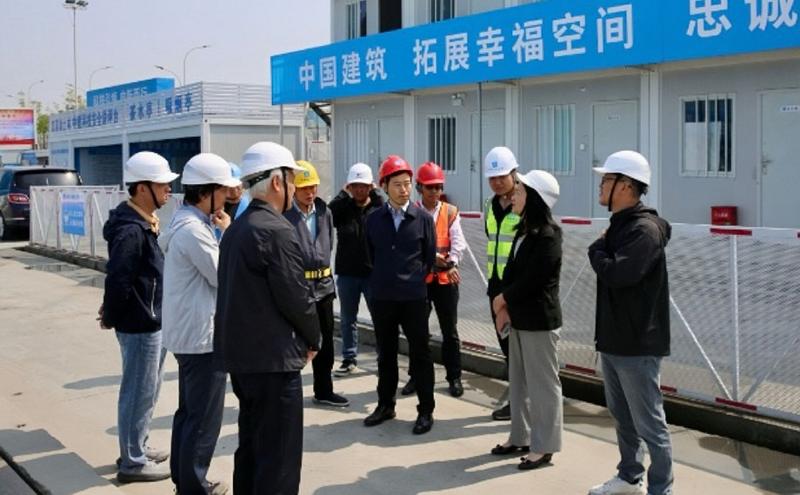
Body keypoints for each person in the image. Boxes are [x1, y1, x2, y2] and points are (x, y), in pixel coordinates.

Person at [214, 141, 321, 495]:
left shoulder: (236, 229)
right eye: (291, 179)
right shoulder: (276, 230)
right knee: (279, 461)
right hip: (274, 363)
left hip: (244, 362)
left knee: (252, 449)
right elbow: (297, 298)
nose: (293, 187)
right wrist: (314, 339)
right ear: (277, 182)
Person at [587, 151, 673, 495]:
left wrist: (597, 249)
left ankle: (661, 488)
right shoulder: (622, 226)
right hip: (614, 340)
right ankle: (629, 476)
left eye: (606, 180)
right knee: (623, 418)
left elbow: (618, 273)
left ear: (625, 186)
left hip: (637, 344)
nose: (601, 185)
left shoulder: (644, 231)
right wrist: (602, 247)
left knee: (650, 424)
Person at [161, 153, 239, 495]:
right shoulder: (195, 231)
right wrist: (230, 233)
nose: (227, 197)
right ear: (206, 193)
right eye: (222, 191)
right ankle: (194, 486)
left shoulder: (184, 222)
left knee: (189, 413)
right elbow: (224, 274)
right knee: (204, 418)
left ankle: (185, 479)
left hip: (188, 334)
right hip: (201, 337)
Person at [99, 151, 178, 483]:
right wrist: (111, 314)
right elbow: (118, 278)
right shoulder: (131, 230)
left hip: (151, 320)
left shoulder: (143, 222)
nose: (169, 190)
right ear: (143, 188)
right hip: (140, 324)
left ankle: (137, 447)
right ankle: (132, 463)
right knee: (137, 392)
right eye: (163, 185)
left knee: (148, 390)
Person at [490, 170, 563, 471]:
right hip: (519, 317)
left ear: (534, 198)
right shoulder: (523, 229)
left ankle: (544, 446)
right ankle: (519, 436)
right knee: (518, 381)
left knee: (543, 386)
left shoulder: (549, 235)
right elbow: (511, 272)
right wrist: (503, 304)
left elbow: (534, 279)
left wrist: (503, 299)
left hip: (538, 321)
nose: (513, 196)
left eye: (519, 192)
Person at [363, 155, 436, 435]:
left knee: (421, 354)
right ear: (384, 186)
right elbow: (370, 256)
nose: (404, 190)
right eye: (397, 184)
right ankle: (385, 404)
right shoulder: (373, 220)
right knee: (386, 354)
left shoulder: (422, 219)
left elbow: (428, 257)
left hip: (414, 298)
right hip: (383, 297)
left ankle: (426, 410)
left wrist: (412, 279)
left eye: (407, 184)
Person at [284, 160, 349, 407]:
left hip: (323, 287)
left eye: (313, 187)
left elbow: (327, 243)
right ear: (294, 189)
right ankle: (286, 393)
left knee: (325, 343)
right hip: (298, 288)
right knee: (293, 342)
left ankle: (323, 390)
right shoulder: (285, 215)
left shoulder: (324, 212)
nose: (310, 193)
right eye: (304, 188)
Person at [401, 161, 466, 398]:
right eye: (430, 187)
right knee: (417, 332)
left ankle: (454, 377)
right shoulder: (411, 212)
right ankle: (416, 377)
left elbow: (458, 243)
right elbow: (409, 246)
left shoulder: (450, 212)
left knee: (450, 332)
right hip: (420, 282)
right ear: (420, 187)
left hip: (446, 280)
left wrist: (452, 263)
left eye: (438, 187)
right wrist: (432, 258)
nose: (435, 192)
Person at [328, 162, 384, 376]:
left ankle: (383, 356)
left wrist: (377, 192)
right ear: (349, 187)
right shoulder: (343, 210)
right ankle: (349, 358)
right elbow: (328, 212)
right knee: (347, 319)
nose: (359, 190)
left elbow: (385, 206)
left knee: (380, 318)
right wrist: (343, 194)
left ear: (370, 186)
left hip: (373, 274)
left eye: (364, 186)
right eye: (355, 186)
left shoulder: (377, 210)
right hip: (347, 274)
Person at [483, 146, 522, 421]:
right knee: (508, 347)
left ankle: (524, 403)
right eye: (492, 178)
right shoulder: (490, 204)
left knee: (524, 350)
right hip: (495, 288)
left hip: (518, 289)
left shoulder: (525, 202)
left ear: (514, 174)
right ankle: (518, 400)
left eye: (502, 176)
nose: (497, 182)